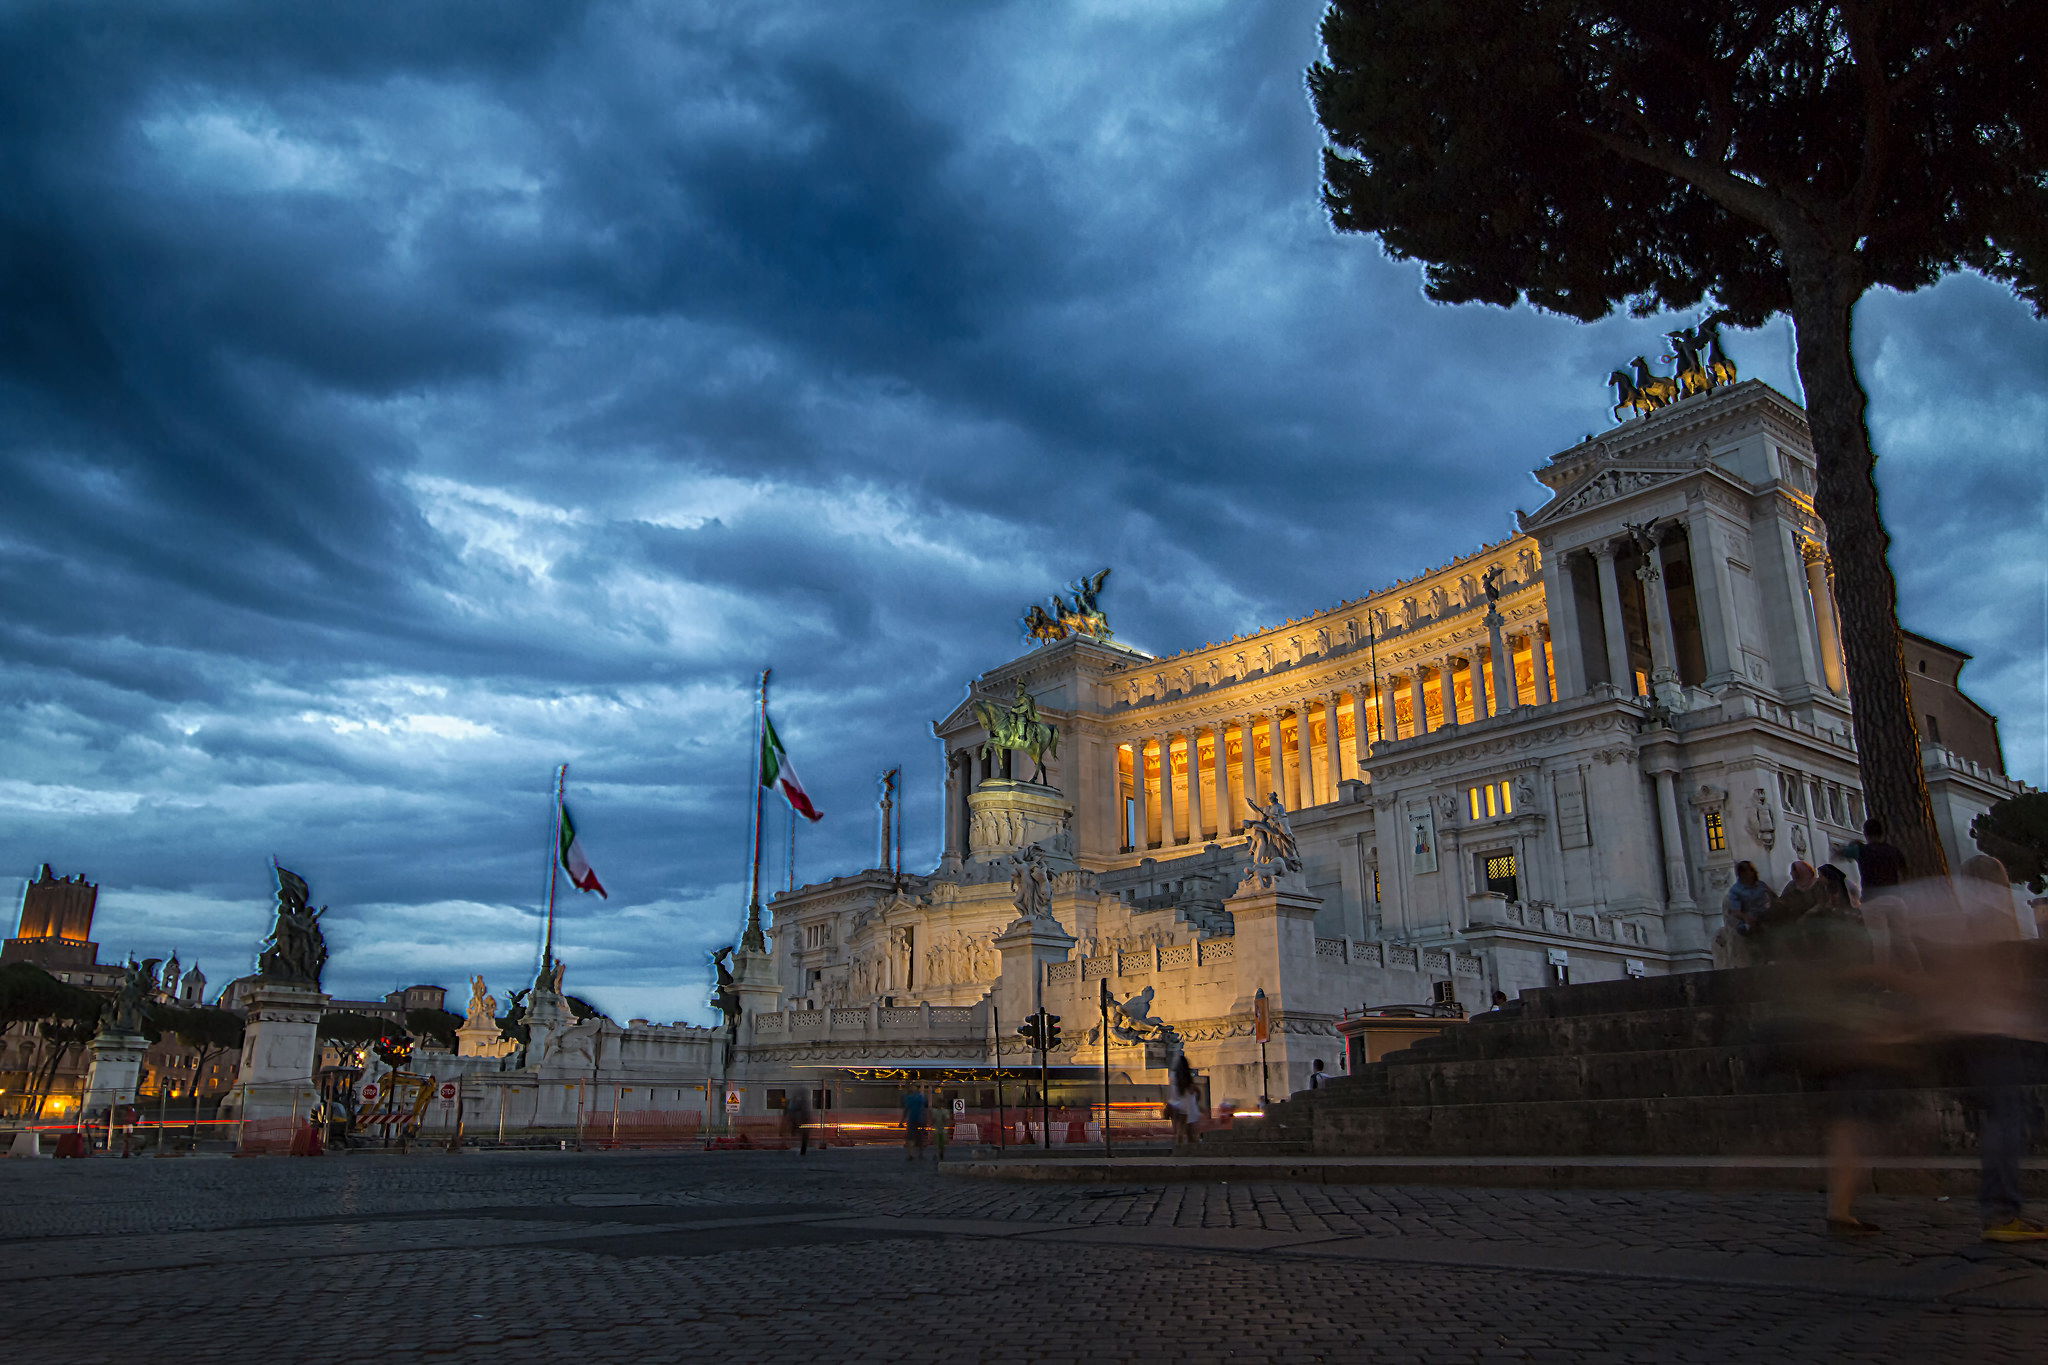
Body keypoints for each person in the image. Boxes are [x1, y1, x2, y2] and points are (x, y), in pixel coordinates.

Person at [1912, 855, 2048, 1242]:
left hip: (1967, 1033)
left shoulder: (1954, 919)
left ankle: (2001, 1207)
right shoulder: (1991, 913)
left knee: (2008, 1116)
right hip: (1991, 1031)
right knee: (2010, 1117)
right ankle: (2001, 1210)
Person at [1720, 861, 1775, 967]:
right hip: (1748, 920)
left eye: (1751, 871)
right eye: (1746, 872)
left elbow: (1773, 897)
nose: (1750, 874)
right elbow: (1736, 912)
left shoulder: (1761, 885)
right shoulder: (1736, 891)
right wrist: (1747, 917)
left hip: (1766, 915)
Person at [1167, 1055, 1201, 1145]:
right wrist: (1197, 1100)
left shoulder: (1172, 1075)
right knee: (1189, 1128)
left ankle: (1179, 1147)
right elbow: (1194, 1091)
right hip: (1187, 1105)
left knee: (1179, 1128)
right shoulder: (1187, 1076)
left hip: (1175, 1103)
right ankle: (1191, 1146)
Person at [900, 1086, 930, 1160]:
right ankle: (920, 1154)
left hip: (912, 1120)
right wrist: (926, 1120)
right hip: (920, 1120)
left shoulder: (909, 1098)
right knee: (920, 1137)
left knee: (910, 1138)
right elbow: (925, 1109)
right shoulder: (921, 1097)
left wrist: (902, 1121)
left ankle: (911, 1154)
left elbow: (906, 1110)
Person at [783, 1085, 814, 1157]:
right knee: (804, 1135)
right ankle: (802, 1150)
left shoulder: (800, 1101)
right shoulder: (803, 1102)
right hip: (803, 1120)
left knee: (803, 1135)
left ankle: (802, 1149)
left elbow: (792, 1110)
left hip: (802, 1120)